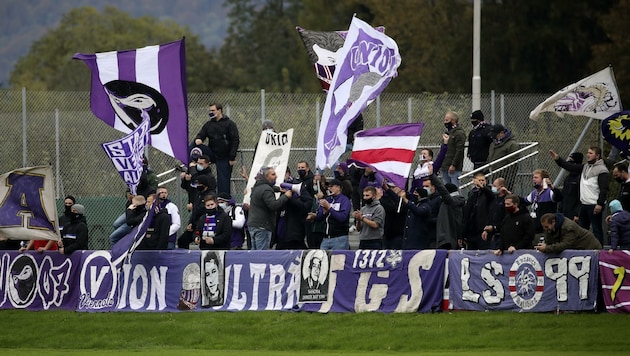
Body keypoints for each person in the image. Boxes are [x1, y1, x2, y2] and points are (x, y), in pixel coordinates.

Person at [550, 147, 610, 245]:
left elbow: (604, 189)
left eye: (591, 153)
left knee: (596, 229)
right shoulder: (585, 167)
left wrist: (599, 203)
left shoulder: (602, 170)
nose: (588, 155)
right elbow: (569, 166)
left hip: (594, 205)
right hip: (583, 205)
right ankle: (583, 250)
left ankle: (599, 252)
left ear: (597, 156)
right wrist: (558, 159)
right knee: (582, 231)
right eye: (587, 152)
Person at [194, 103, 240, 195]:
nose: (211, 112)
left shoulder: (229, 124)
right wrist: (198, 139)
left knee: (223, 182)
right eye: (210, 110)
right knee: (194, 145)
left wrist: (232, 157)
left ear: (219, 111)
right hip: (211, 153)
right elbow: (201, 135)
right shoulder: (209, 124)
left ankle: (223, 201)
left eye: (213, 110)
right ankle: (192, 163)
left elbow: (235, 140)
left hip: (224, 156)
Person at [248, 167, 292, 250]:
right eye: (273, 174)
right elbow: (273, 205)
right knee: (262, 255)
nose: (276, 176)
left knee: (254, 254)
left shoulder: (257, 186)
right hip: (263, 226)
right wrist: (285, 197)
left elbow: (266, 188)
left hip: (253, 225)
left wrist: (278, 189)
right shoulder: (266, 189)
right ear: (266, 176)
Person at [430, 173, 465, 249]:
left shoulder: (452, 201)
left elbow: (443, 191)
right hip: (445, 239)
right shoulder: (446, 203)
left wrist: (432, 176)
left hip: (448, 240)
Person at [537, 213, 602, 253]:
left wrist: (547, 248)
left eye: (546, 227)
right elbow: (550, 242)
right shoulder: (551, 229)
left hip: (590, 247)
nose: (545, 229)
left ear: (553, 222)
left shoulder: (568, 227)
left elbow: (565, 245)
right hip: (578, 249)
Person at [178, 175, 214, 249]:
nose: (197, 186)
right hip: (194, 224)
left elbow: (204, 210)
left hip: (204, 225)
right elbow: (195, 211)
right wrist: (190, 223)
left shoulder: (210, 195)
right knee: (182, 240)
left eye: (199, 184)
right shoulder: (198, 194)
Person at [523, 169, 563, 234]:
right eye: (533, 177)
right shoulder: (534, 193)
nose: (533, 179)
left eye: (536, 177)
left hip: (545, 227)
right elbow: (524, 202)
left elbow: (559, 197)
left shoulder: (549, 192)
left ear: (543, 179)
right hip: (535, 227)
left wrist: (552, 187)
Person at [315, 179, 352, 250]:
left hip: (339, 238)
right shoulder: (327, 199)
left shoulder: (344, 200)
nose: (329, 188)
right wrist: (323, 212)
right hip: (325, 238)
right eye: (328, 187)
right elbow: (319, 218)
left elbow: (342, 217)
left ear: (338, 187)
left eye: (331, 186)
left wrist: (329, 208)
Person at [462, 172, 494, 249]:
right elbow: (467, 213)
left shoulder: (488, 191)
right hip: (472, 230)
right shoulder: (472, 193)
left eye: (483, 180)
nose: (481, 182)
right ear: (474, 181)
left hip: (482, 229)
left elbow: (491, 196)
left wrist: (482, 187)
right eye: (479, 180)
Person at [276, 180, 312, 250]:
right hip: (281, 238)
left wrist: (290, 198)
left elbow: (306, 205)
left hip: (294, 238)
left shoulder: (298, 200)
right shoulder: (283, 200)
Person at [397, 185, 432, 250]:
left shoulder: (426, 206)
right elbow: (397, 199)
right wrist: (387, 189)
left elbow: (418, 211)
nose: (414, 195)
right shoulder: (414, 204)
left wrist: (405, 199)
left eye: (416, 193)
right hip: (408, 241)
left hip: (418, 242)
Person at [487, 124, 519, 190]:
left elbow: (513, 165)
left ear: (501, 133)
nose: (493, 137)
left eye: (495, 135)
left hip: (504, 177)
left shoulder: (512, 144)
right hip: (494, 175)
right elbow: (489, 159)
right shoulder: (493, 144)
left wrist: (509, 181)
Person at [441, 111, 466, 187]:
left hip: (453, 167)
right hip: (445, 165)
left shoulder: (459, 133)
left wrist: (453, 164)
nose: (445, 122)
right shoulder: (447, 133)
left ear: (453, 121)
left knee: (455, 188)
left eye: (447, 120)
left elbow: (459, 150)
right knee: (447, 188)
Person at [483, 177, 510, 249]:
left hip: (503, 235)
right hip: (493, 236)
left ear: (501, 187)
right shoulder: (494, 200)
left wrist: (495, 228)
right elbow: (491, 215)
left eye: (494, 186)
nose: (493, 188)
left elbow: (506, 218)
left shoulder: (507, 201)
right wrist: (486, 229)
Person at [380, 181, 407, 250]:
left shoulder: (404, 200)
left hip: (398, 234)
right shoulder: (386, 198)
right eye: (390, 187)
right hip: (387, 234)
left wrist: (388, 190)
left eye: (393, 187)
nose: (392, 189)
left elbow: (396, 209)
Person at [559, 152, 583, 221]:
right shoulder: (568, 178)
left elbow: (581, 197)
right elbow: (563, 194)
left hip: (574, 213)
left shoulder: (580, 178)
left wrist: (577, 213)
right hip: (565, 211)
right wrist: (560, 209)